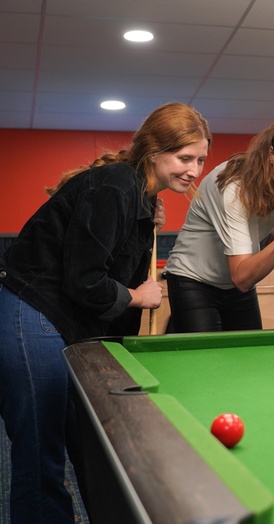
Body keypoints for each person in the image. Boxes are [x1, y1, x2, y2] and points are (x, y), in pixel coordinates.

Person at [0, 102, 211, 523]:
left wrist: (146, 223)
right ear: (154, 152)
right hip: (32, 308)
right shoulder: (115, 186)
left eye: (201, 159)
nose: (194, 170)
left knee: (85, 442)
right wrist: (137, 297)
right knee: (40, 450)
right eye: (184, 158)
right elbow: (86, 281)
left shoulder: (139, 197)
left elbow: (115, 275)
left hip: (62, 319)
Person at [165, 113, 274, 333]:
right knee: (208, 354)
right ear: (271, 154)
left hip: (238, 286)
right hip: (193, 280)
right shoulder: (233, 186)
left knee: (250, 352)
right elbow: (241, 277)